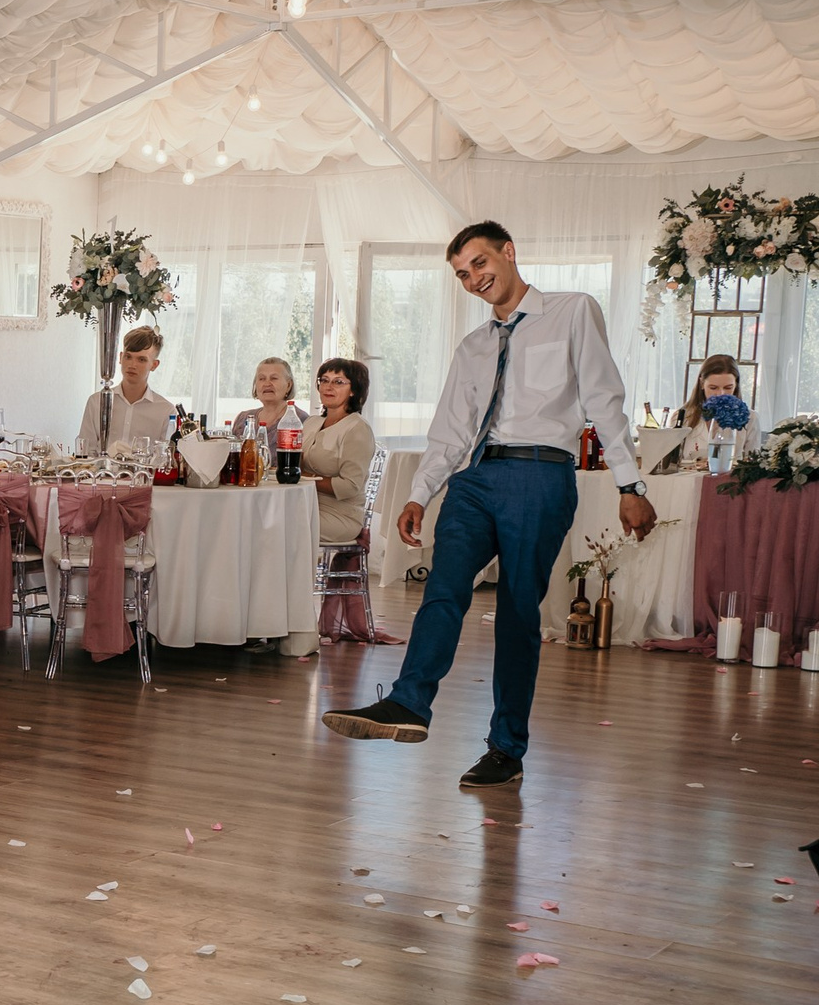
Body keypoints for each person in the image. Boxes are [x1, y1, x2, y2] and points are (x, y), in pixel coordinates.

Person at [324, 220, 654, 789]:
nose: (473, 279)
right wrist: (419, 493)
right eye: (461, 274)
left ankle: (506, 747)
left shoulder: (573, 311)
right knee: (443, 588)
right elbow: (449, 429)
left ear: (508, 252)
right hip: (475, 477)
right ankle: (409, 702)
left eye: (478, 264)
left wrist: (631, 486)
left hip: (540, 474)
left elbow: (605, 398)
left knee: (518, 614)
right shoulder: (473, 346)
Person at [303, 356, 377, 546]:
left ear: (353, 390)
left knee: (278, 523)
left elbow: (349, 486)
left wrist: (305, 477)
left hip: (339, 515)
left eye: (338, 382)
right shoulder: (312, 423)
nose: (328, 387)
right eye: (324, 380)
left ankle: (292, 576)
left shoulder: (357, 429)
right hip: (304, 503)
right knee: (261, 515)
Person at [76, 327, 177, 456]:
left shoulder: (166, 412)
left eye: (141, 359)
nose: (132, 365)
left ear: (154, 365)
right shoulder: (97, 402)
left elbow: (165, 460)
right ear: (120, 357)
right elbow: (85, 451)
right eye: (128, 357)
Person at [678, 354, 757, 468]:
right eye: (713, 388)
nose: (721, 394)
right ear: (702, 384)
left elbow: (754, 463)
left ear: (736, 385)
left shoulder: (750, 418)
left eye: (728, 387)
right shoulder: (682, 416)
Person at [229, 357, 307, 439]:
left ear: (288, 385)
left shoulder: (301, 420)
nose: (267, 384)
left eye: (274, 378)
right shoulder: (243, 418)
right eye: (262, 379)